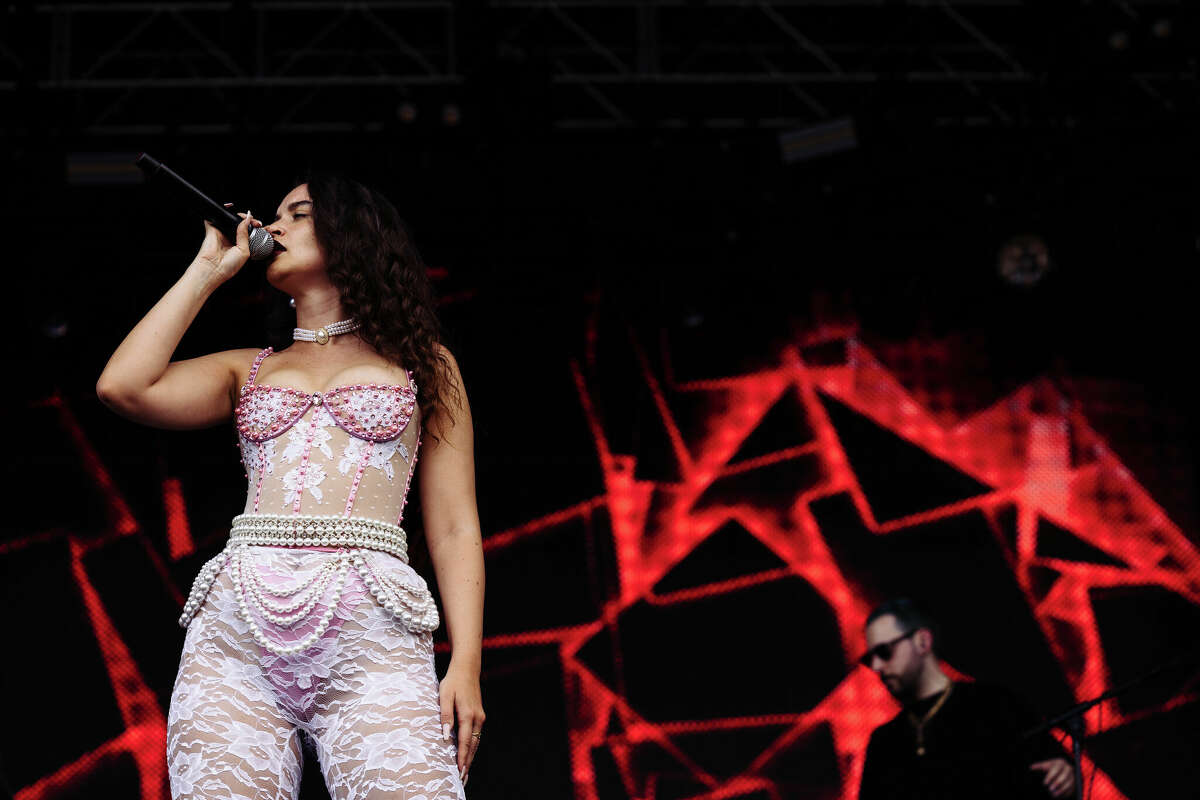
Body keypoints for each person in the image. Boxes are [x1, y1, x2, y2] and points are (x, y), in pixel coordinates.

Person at [96, 173, 485, 799]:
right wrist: (207, 270)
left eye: (298, 214)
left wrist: (465, 663)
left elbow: (454, 524)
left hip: (373, 638)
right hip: (236, 637)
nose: (273, 227)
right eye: (274, 215)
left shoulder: (425, 363)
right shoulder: (246, 367)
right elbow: (124, 387)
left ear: (354, 235)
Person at [858, 598, 1073, 800]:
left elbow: (1058, 772)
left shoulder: (994, 705)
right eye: (870, 659)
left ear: (923, 641)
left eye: (884, 652)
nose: (876, 666)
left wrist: (1066, 777)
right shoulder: (883, 743)